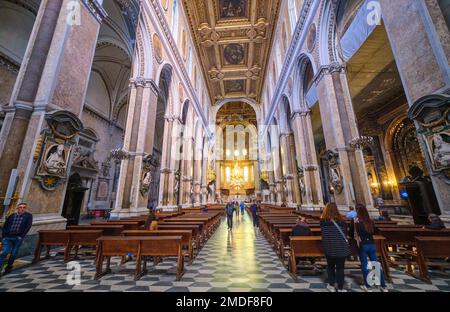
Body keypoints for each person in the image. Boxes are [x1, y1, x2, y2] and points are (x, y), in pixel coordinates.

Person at [350, 204, 388, 292]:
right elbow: (373, 231)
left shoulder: (356, 220)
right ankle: (383, 286)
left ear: (357, 211)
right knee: (375, 265)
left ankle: (368, 286)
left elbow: (351, 233)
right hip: (372, 244)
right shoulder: (370, 220)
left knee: (364, 264)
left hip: (363, 245)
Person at [320, 203, 351, 292]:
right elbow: (345, 233)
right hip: (341, 248)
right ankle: (340, 288)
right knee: (340, 268)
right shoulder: (342, 221)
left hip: (329, 248)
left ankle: (331, 285)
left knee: (330, 267)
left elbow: (323, 234)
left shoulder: (323, 221)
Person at [0, 203, 33, 277]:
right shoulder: (12, 216)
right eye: (20, 207)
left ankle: (8, 268)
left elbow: (28, 226)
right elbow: (5, 225)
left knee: (13, 254)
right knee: (4, 253)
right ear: (17, 208)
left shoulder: (28, 216)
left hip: (17, 237)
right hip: (8, 237)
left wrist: (21, 236)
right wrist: (4, 236)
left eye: (24, 207)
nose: (22, 209)